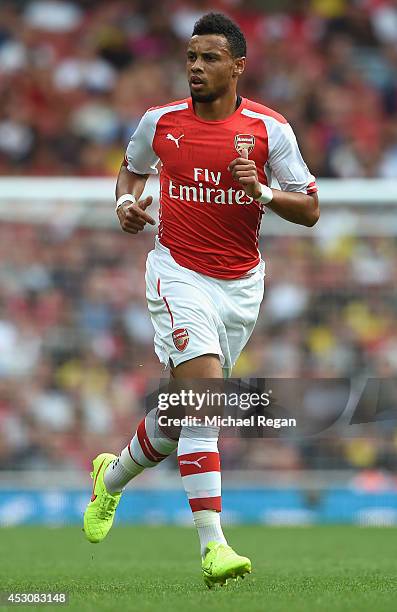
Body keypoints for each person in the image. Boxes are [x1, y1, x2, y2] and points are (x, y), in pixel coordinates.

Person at [83, 12, 319, 588]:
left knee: (184, 414)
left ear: (238, 66)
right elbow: (130, 173)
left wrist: (261, 191)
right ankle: (214, 547)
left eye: (209, 57)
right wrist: (125, 208)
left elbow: (310, 208)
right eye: (190, 56)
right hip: (177, 273)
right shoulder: (159, 122)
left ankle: (110, 479)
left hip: (242, 286)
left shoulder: (269, 130)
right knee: (208, 403)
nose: (195, 66)